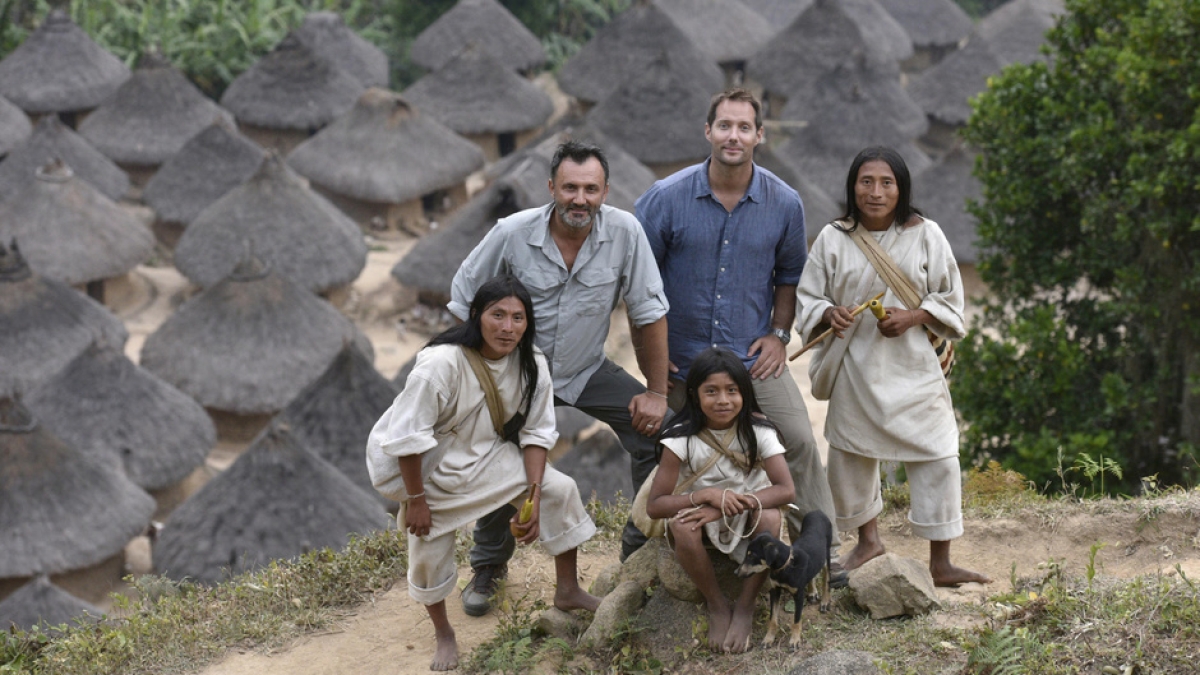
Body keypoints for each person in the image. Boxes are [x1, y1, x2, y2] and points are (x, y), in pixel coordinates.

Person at [449, 140, 670, 614]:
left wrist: (655, 392)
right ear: (551, 187)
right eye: (570, 187)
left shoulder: (626, 232)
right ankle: (488, 566)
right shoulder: (512, 232)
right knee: (499, 453)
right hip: (518, 374)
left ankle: (640, 552)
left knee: (661, 431)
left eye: (591, 189)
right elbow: (463, 297)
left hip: (585, 369)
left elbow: (649, 311)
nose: (580, 199)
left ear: (606, 191)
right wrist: (478, 379)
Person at [635, 88, 841, 558]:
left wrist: (779, 334)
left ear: (759, 135)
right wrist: (653, 361)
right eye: (724, 125)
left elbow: (789, 278)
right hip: (679, 360)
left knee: (799, 442)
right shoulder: (665, 199)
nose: (734, 136)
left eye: (744, 127)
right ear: (707, 130)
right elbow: (638, 287)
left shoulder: (784, 203)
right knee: (655, 444)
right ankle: (643, 547)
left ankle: (820, 553)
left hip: (749, 361)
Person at [366, 275, 601, 671]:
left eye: (517, 318)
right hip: (428, 466)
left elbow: (537, 433)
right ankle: (444, 634)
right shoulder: (440, 364)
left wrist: (532, 497)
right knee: (428, 547)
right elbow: (408, 437)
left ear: (528, 323)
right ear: (477, 316)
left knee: (560, 490)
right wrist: (418, 501)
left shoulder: (532, 364)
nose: (507, 328)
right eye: (497, 315)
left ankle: (568, 590)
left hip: (485, 454)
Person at [795, 146, 991, 587]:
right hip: (856, 367)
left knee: (939, 454)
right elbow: (810, 297)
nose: (876, 192)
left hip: (915, 368)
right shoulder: (832, 237)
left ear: (901, 188)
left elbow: (950, 297)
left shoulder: (927, 235)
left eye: (887, 183)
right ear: (853, 187)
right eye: (867, 182)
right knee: (852, 455)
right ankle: (868, 542)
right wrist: (830, 314)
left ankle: (941, 562)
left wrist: (915, 316)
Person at [646, 347, 793, 653]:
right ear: (694, 394)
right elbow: (656, 504)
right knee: (683, 528)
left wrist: (726, 506)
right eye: (711, 391)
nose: (723, 400)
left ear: (745, 393)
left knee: (771, 518)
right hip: (698, 512)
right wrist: (704, 497)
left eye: (732, 391)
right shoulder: (679, 439)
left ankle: (745, 604)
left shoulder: (759, 432)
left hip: (747, 509)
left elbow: (785, 490)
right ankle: (716, 604)